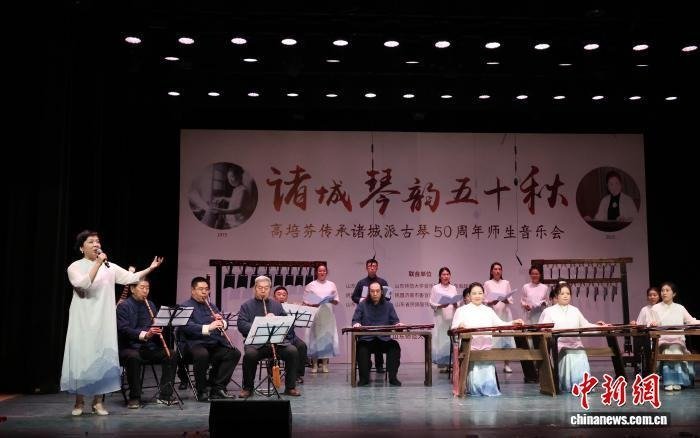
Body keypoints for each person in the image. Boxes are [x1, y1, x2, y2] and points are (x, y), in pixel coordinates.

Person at [61, 229, 163, 416]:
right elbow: (83, 285)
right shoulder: (74, 267)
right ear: (82, 247)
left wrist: (150, 268)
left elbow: (131, 278)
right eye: (91, 242)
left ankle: (98, 402)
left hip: (104, 319)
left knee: (102, 358)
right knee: (82, 358)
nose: (96, 245)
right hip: (83, 319)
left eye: (97, 241)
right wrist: (97, 263)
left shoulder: (110, 267)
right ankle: (79, 402)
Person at [451, 282, 524, 396]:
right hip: (469, 347)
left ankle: (489, 389)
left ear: (484, 295)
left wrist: (512, 323)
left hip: (486, 347)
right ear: (469, 295)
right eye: (474, 293)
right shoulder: (461, 310)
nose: (477, 296)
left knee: (489, 382)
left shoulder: (488, 310)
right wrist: (460, 326)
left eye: (480, 293)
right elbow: (454, 328)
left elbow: (500, 324)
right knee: (475, 383)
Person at [116, 278, 177, 408]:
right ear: (132, 289)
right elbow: (123, 329)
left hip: (148, 347)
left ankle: (165, 395)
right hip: (129, 347)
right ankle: (135, 397)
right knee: (133, 357)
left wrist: (158, 328)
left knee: (171, 354)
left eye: (147, 288)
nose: (145, 291)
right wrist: (145, 334)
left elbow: (153, 326)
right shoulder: (123, 306)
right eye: (142, 287)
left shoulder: (151, 305)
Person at [538, 282, 609, 393]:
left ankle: (583, 385)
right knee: (569, 354)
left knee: (581, 353)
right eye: (562, 294)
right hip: (559, 345)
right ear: (556, 295)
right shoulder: (549, 311)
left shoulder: (575, 310)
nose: (565, 296)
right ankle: (569, 385)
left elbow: (585, 325)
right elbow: (542, 327)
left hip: (575, 344)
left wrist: (600, 327)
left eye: (568, 293)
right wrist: (546, 330)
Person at [237, 276, 302, 398]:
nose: (263, 290)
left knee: (292, 351)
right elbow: (241, 325)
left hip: (277, 343)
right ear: (255, 289)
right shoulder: (246, 306)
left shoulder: (276, 305)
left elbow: (288, 325)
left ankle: (290, 387)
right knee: (250, 355)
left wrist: (276, 320)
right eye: (260, 288)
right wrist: (261, 323)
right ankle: (248, 388)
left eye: (266, 288)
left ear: (269, 289)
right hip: (256, 344)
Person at [179, 277, 241, 401]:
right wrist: (209, 327)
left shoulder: (211, 306)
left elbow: (224, 321)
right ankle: (201, 390)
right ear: (193, 290)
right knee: (202, 354)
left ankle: (217, 388)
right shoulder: (185, 306)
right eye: (201, 289)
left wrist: (222, 322)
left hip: (212, 343)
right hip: (193, 344)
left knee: (234, 353)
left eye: (206, 289)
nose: (204, 292)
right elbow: (186, 327)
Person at [649, 282, 698, 391]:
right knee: (669, 350)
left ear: (674, 294)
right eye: (662, 290)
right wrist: (653, 324)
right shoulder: (655, 308)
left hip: (677, 340)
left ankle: (676, 381)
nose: (664, 293)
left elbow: (691, 321)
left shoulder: (680, 308)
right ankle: (671, 381)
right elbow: (650, 323)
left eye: (667, 290)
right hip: (662, 340)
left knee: (675, 349)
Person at [352, 281, 403, 386]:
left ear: (381, 292)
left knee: (394, 346)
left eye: (377, 291)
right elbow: (355, 320)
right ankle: (364, 379)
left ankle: (393, 378)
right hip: (367, 339)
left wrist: (398, 324)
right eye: (372, 291)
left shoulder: (389, 306)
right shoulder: (362, 305)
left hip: (384, 339)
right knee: (361, 348)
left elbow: (395, 321)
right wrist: (356, 324)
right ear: (369, 292)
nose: (375, 293)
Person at [351, 258, 389, 373]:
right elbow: (354, 297)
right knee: (366, 339)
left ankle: (379, 365)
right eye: (370, 266)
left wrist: (381, 299)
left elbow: (388, 297)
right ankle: (365, 364)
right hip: (366, 315)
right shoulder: (361, 282)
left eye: (374, 266)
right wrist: (361, 300)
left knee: (380, 335)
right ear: (366, 268)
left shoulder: (383, 282)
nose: (372, 268)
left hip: (379, 314)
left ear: (377, 268)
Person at [303, 263, 340, 374]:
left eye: (324, 270)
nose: (322, 272)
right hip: (315, 313)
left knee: (326, 338)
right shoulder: (311, 285)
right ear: (316, 272)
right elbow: (305, 300)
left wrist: (330, 300)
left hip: (327, 314)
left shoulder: (332, 284)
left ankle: (324, 364)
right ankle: (314, 364)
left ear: (326, 272)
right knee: (314, 339)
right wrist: (314, 302)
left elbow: (337, 301)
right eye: (320, 270)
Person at [273, 285, 308, 384]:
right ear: (274, 296)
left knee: (302, 346)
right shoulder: (270, 306)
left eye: (284, 295)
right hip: (277, 337)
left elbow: (299, 322)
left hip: (291, 336)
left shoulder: (291, 308)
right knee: (271, 348)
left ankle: (297, 374)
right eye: (279, 294)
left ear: (286, 297)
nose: (281, 296)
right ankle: (274, 373)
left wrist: (299, 309)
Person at [484, 262, 515, 373]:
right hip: (493, 313)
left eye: (499, 269)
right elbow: (484, 299)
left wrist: (505, 299)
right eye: (495, 269)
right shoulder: (487, 283)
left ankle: (507, 364)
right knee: (492, 338)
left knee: (506, 338)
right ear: (491, 271)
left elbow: (510, 299)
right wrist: (491, 301)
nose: (497, 271)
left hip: (505, 313)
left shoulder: (506, 283)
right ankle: (490, 363)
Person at [428, 267, 459, 372]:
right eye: (443, 274)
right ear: (439, 276)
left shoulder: (453, 288)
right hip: (440, 317)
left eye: (447, 274)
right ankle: (444, 364)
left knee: (451, 340)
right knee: (442, 339)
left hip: (451, 316)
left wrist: (455, 303)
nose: (446, 276)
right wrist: (440, 305)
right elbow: (431, 303)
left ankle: (451, 363)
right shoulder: (435, 288)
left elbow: (457, 302)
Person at [208, 165, 248, 229]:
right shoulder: (236, 189)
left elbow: (239, 209)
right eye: (228, 178)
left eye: (232, 176)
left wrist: (221, 211)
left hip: (237, 223)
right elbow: (234, 200)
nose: (230, 180)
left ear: (239, 176)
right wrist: (223, 198)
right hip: (232, 221)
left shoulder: (243, 190)